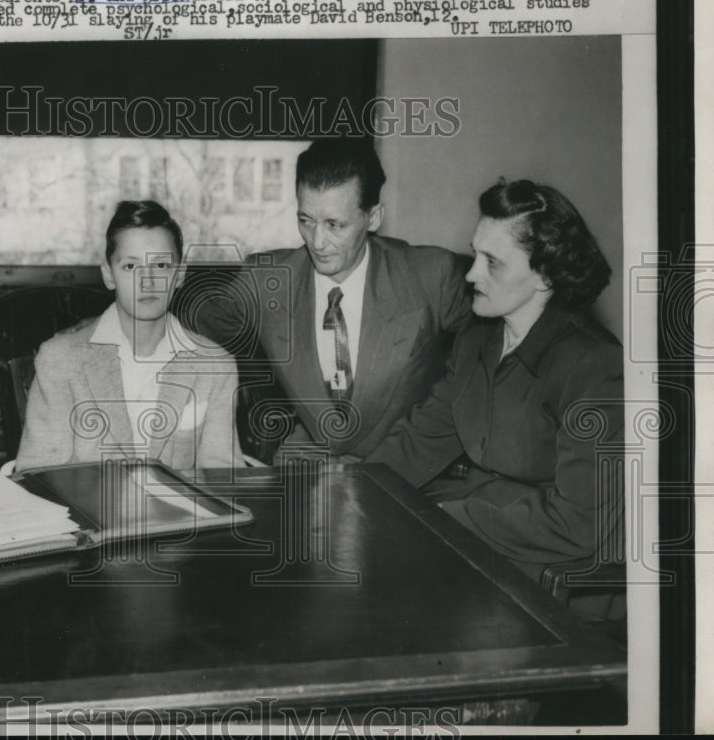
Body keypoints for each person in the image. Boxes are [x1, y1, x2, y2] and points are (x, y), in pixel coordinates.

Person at [374, 179, 623, 578]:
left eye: (493, 262)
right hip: (488, 535)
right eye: (475, 255)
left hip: (557, 571)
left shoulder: (595, 365)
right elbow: (423, 436)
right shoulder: (477, 337)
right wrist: (358, 490)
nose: (471, 274)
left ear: (544, 276)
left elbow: (581, 523)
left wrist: (448, 520)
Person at [191, 137, 471, 462]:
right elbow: (198, 330)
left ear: (374, 217)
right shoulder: (266, 281)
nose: (317, 242)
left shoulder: (430, 276)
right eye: (305, 221)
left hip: (405, 472)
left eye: (334, 225)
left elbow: (485, 361)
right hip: (308, 474)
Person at [16, 200, 242, 478]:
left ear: (180, 275)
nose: (148, 282)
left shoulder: (215, 365)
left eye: (160, 265)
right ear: (109, 275)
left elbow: (224, 478)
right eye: (131, 267)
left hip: (182, 519)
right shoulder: (60, 359)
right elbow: (37, 478)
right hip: (89, 517)